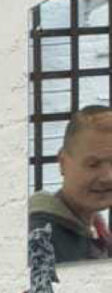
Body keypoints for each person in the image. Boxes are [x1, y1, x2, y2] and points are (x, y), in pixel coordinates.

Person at [29, 104, 112, 263]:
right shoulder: (40, 241)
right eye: (93, 164)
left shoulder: (95, 227)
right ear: (62, 163)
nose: (108, 177)